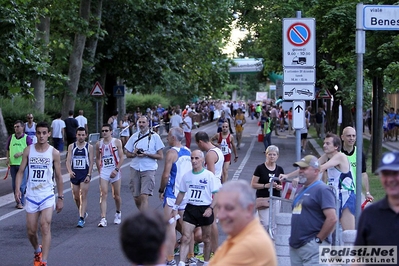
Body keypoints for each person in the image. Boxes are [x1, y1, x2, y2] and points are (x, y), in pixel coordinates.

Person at [14, 121, 64, 266]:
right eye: (39, 133)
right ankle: (37, 250)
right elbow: (21, 172)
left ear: (49, 134)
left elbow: (59, 177)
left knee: (45, 225)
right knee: (31, 231)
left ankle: (44, 261)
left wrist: (60, 197)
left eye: (44, 133)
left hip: (47, 195)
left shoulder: (54, 152)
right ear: (35, 134)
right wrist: (17, 189)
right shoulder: (29, 150)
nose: (41, 136)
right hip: (31, 195)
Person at [209, 180, 277, 266]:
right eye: (219, 207)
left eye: (229, 208)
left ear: (249, 209)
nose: (221, 215)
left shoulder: (250, 244)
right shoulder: (241, 234)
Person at [172, 150, 221, 266]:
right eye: (192, 158)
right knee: (185, 237)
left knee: (207, 238)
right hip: (191, 208)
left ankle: (206, 261)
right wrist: (175, 207)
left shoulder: (209, 176)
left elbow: (217, 194)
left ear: (202, 160)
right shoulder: (187, 176)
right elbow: (181, 193)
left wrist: (211, 208)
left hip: (205, 208)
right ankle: (182, 263)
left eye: (196, 158)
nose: (194, 161)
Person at [288, 155, 337, 265]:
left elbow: (332, 218)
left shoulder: (323, 189)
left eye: (304, 168)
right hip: (297, 246)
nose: (300, 171)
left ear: (316, 171)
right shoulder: (301, 190)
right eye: (300, 168)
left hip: (313, 248)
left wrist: (318, 240)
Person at [355, 151, 399, 263]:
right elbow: (359, 259)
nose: (390, 179)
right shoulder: (369, 214)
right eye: (385, 174)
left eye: (395, 173)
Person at [158, 127, 192, 266]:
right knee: (187, 226)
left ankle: (170, 258)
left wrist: (161, 189)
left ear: (173, 137)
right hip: (185, 193)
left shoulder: (171, 153)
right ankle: (190, 255)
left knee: (170, 225)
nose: (166, 138)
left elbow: (166, 175)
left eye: (168, 136)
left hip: (172, 193)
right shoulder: (188, 151)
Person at [125, 116, 165, 211]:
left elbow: (160, 156)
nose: (141, 124)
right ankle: (143, 214)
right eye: (140, 122)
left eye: (143, 122)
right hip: (135, 167)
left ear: (148, 123)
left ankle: (143, 221)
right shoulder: (134, 136)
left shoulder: (155, 137)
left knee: (144, 195)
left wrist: (147, 154)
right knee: (136, 197)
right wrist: (134, 153)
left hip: (149, 168)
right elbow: (127, 153)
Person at [195, 131, 224, 261]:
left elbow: (210, 175)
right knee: (212, 222)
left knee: (211, 223)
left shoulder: (210, 155)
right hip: (218, 185)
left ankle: (215, 251)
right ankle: (214, 250)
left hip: (212, 188)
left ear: (200, 142)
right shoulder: (217, 150)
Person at [95, 124, 124, 227]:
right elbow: (98, 158)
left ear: (111, 131)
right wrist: (100, 170)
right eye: (103, 131)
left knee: (116, 195)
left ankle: (118, 212)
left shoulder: (116, 142)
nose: (104, 133)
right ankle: (103, 218)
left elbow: (121, 157)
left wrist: (116, 169)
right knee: (103, 194)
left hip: (115, 170)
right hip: (104, 171)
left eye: (106, 130)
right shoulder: (99, 144)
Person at [66, 127, 94, 228]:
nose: (81, 137)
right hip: (75, 174)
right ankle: (82, 212)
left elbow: (91, 162)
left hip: (84, 174)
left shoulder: (89, 147)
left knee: (83, 195)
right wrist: (70, 171)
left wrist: (89, 174)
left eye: (83, 135)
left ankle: (81, 218)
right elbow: (68, 160)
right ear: (76, 135)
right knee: (76, 196)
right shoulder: (71, 146)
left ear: (86, 135)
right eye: (79, 135)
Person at [250, 145, 283, 232]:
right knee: (265, 223)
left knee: (274, 224)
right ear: (266, 155)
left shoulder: (280, 169)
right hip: (263, 198)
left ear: (277, 156)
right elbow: (253, 184)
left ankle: (272, 243)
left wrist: (279, 187)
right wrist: (265, 185)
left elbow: (282, 184)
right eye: (270, 154)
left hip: (276, 198)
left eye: (274, 155)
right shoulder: (260, 168)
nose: (272, 156)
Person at [341, 126, 374, 201]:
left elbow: (363, 173)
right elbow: (326, 173)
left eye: (353, 136)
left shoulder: (359, 153)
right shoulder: (336, 153)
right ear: (342, 137)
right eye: (348, 136)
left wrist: (367, 193)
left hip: (353, 194)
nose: (351, 138)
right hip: (338, 194)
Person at [6, 120, 33, 208]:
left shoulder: (27, 138)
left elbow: (31, 149)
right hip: (13, 164)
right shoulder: (11, 137)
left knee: (22, 184)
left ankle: (21, 201)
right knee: (15, 184)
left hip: (23, 164)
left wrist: (21, 153)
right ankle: (18, 201)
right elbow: (8, 149)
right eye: (15, 127)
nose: (16, 128)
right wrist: (7, 158)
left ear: (22, 127)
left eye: (18, 126)